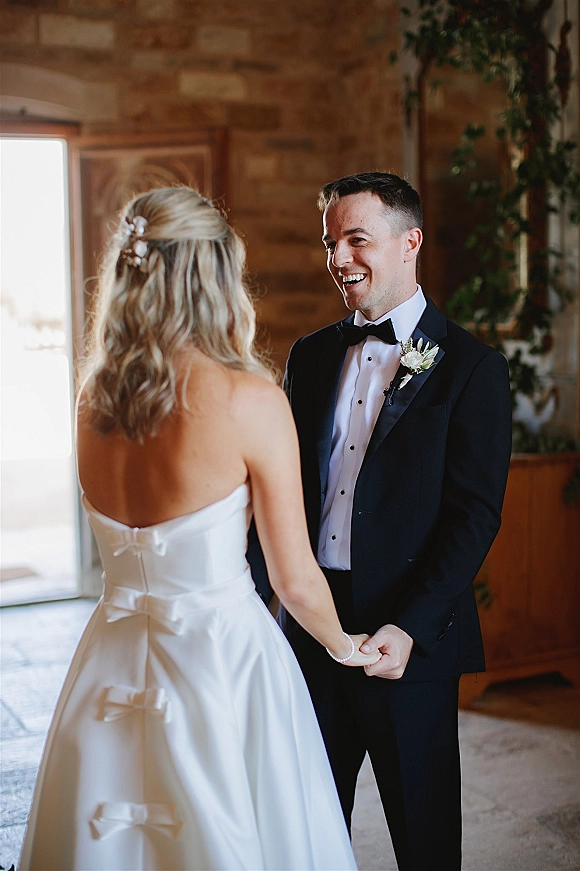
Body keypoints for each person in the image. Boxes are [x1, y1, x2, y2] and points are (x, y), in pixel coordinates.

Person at [18, 186, 381, 871]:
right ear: (215, 275)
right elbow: (295, 579)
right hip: (224, 665)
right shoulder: (250, 400)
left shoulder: (93, 399)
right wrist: (346, 645)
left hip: (109, 661)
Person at [252, 172, 513, 871]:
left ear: (409, 242)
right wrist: (263, 608)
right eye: (330, 242)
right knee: (303, 827)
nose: (339, 259)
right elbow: (280, 495)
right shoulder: (309, 357)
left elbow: (473, 516)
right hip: (310, 628)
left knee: (424, 836)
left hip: (409, 637)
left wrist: (410, 626)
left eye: (357, 240)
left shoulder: (471, 368)